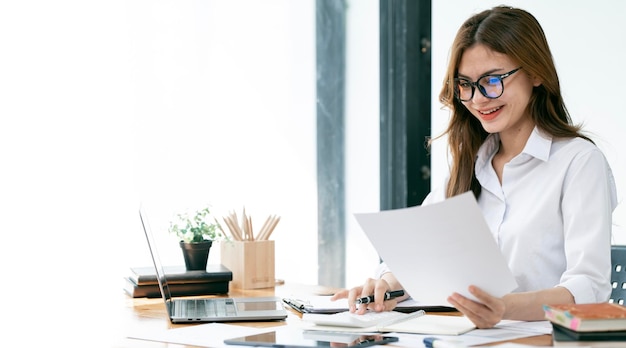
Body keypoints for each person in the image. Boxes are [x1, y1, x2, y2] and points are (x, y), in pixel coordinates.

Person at [331, 5, 618, 329]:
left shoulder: (578, 163)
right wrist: (386, 283)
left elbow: (589, 289)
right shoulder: (471, 165)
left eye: (492, 80)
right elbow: (418, 255)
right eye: (465, 84)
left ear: (536, 73)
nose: (478, 99)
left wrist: (504, 307)